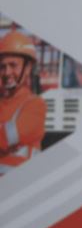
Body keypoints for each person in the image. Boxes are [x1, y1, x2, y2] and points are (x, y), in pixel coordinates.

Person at [0, 31, 47, 176]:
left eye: (13, 65)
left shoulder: (35, 105)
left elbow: (6, 138)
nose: (7, 72)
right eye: (2, 66)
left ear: (28, 68)